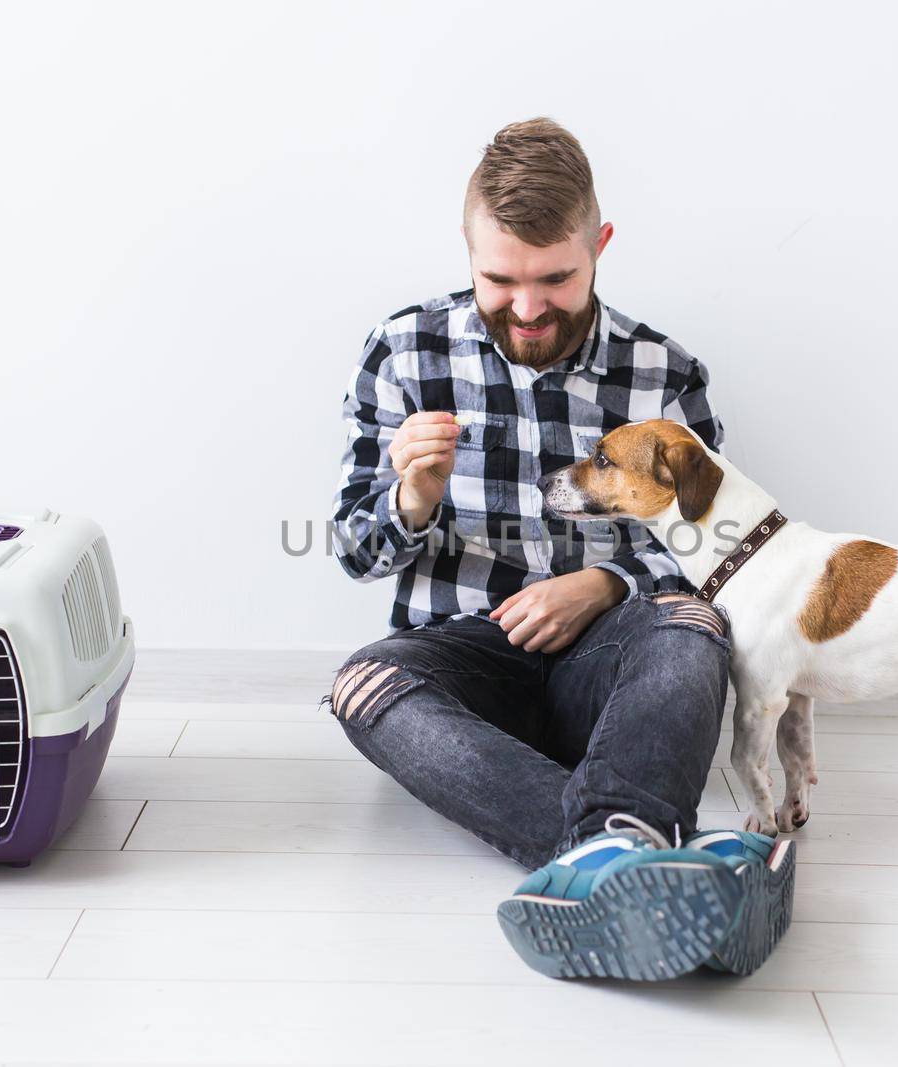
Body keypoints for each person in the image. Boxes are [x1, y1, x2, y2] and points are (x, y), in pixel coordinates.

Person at [326, 118, 790, 980]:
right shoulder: (404, 352)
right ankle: (631, 851)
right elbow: (355, 552)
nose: (529, 308)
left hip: (611, 674)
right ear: (467, 249)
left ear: (599, 245)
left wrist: (608, 584)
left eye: (556, 279)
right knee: (361, 683)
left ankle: (607, 860)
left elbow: (723, 549)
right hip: (467, 669)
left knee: (691, 621)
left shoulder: (664, 372)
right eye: (500, 279)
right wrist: (411, 498)